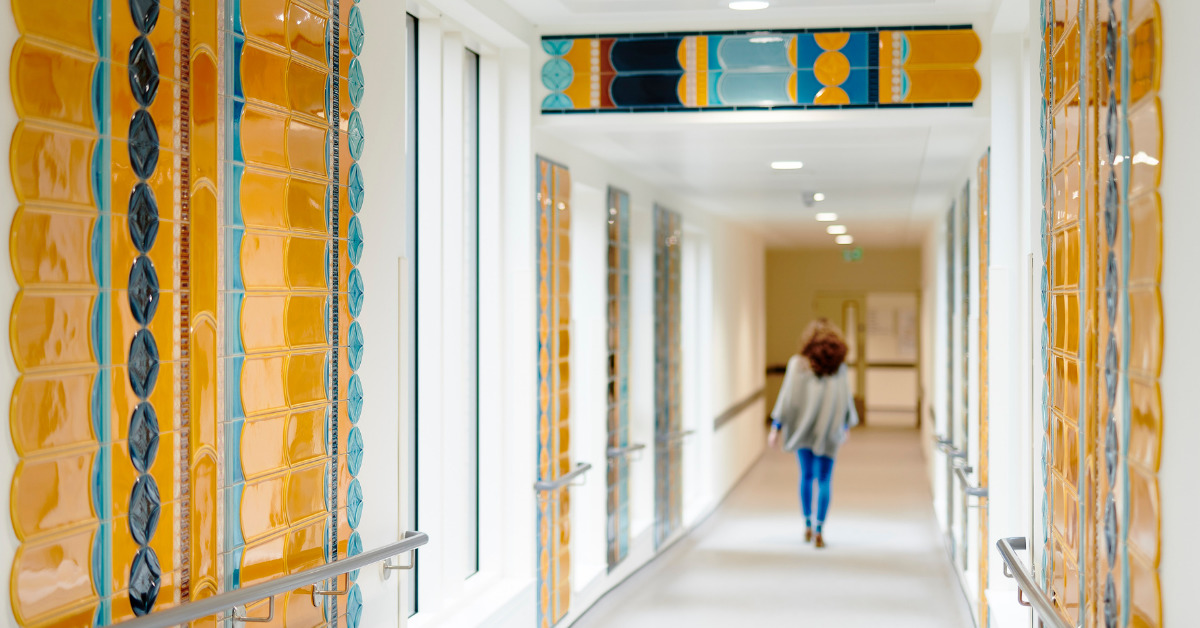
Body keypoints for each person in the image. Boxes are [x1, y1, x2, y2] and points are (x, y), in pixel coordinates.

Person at [767, 319, 859, 548]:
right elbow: (845, 400)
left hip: (803, 432)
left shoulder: (798, 364)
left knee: (806, 476)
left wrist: (775, 427)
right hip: (829, 432)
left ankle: (806, 524)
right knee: (825, 479)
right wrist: (845, 426)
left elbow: (786, 399)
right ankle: (819, 529)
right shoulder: (839, 367)